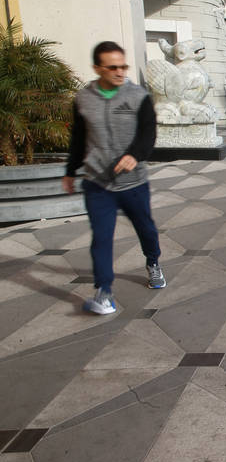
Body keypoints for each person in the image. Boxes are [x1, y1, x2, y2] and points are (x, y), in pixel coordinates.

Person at [63, 41, 165, 315]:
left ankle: (153, 261)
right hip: (98, 183)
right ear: (98, 68)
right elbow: (78, 138)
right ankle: (103, 292)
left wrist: (135, 154)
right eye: (113, 67)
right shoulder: (83, 99)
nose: (120, 72)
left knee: (146, 228)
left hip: (133, 183)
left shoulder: (137, 96)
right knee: (102, 237)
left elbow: (148, 132)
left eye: (123, 66)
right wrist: (70, 171)